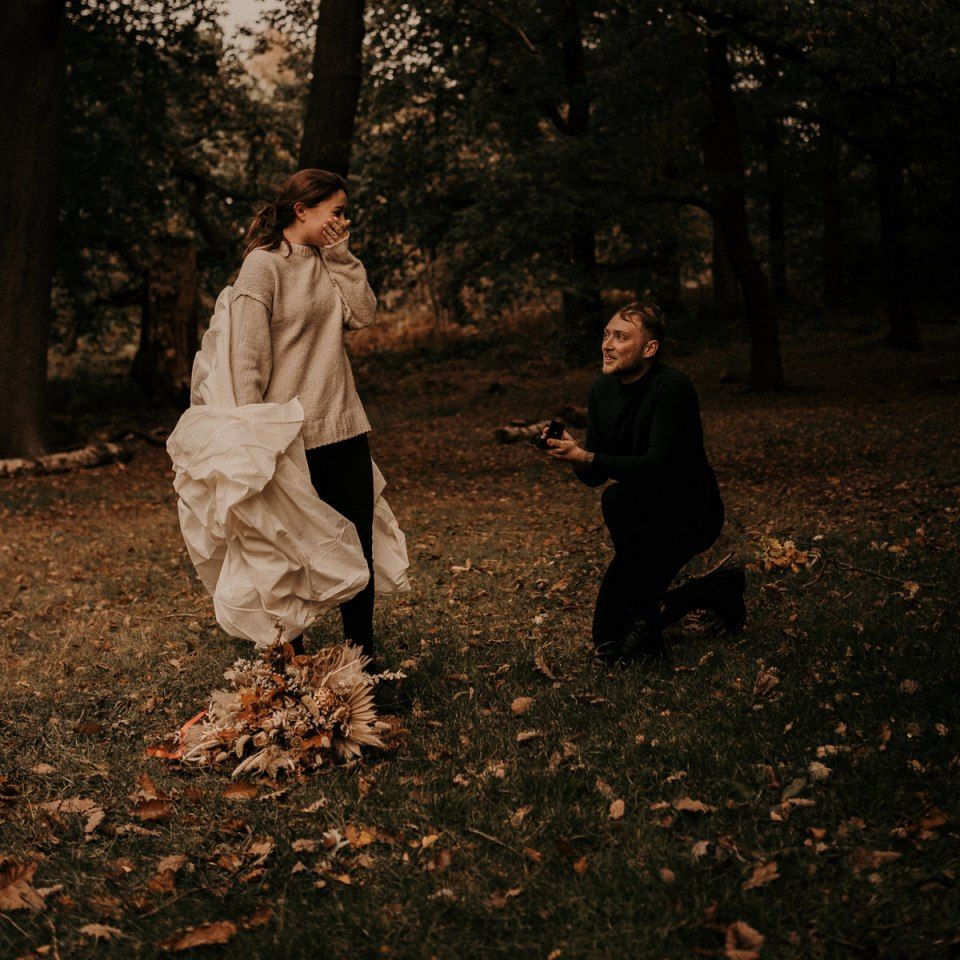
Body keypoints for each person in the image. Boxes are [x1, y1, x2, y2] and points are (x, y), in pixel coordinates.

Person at [230, 168, 396, 692]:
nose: (344, 221)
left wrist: (342, 256)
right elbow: (246, 361)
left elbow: (363, 315)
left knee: (357, 548)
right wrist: (255, 439)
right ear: (302, 209)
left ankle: (362, 666)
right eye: (337, 211)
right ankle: (292, 673)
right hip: (287, 439)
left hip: (343, 425)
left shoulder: (331, 261)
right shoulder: (262, 266)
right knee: (290, 556)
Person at [538, 301, 745, 663]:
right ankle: (714, 589)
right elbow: (595, 474)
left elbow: (656, 466)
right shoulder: (602, 390)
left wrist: (587, 456)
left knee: (634, 617)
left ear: (649, 348)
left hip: (689, 513)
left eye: (621, 337)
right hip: (640, 516)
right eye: (606, 335)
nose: (607, 344)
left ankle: (701, 594)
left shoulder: (672, 387)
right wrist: (572, 454)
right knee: (607, 635)